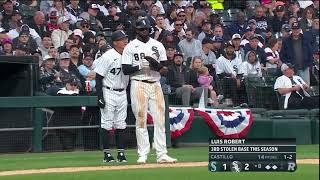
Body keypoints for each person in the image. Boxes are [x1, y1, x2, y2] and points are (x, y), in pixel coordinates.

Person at [121, 17, 177, 164]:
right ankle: (143, 154)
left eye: (146, 28)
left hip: (155, 83)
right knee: (141, 119)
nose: (144, 31)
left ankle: (162, 154)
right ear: (136, 30)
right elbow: (125, 69)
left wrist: (156, 65)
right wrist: (141, 66)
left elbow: (165, 70)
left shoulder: (157, 45)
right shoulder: (130, 46)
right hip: (138, 83)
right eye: (141, 29)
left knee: (160, 120)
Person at [94, 30, 130, 163]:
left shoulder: (128, 54)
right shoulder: (108, 56)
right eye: (122, 39)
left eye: (125, 38)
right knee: (107, 123)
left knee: (121, 124)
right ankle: (107, 154)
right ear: (115, 42)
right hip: (108, 91)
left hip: (122, 92)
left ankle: (121, 154)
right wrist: (99, 96)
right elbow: (98, 77)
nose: (125, 41)